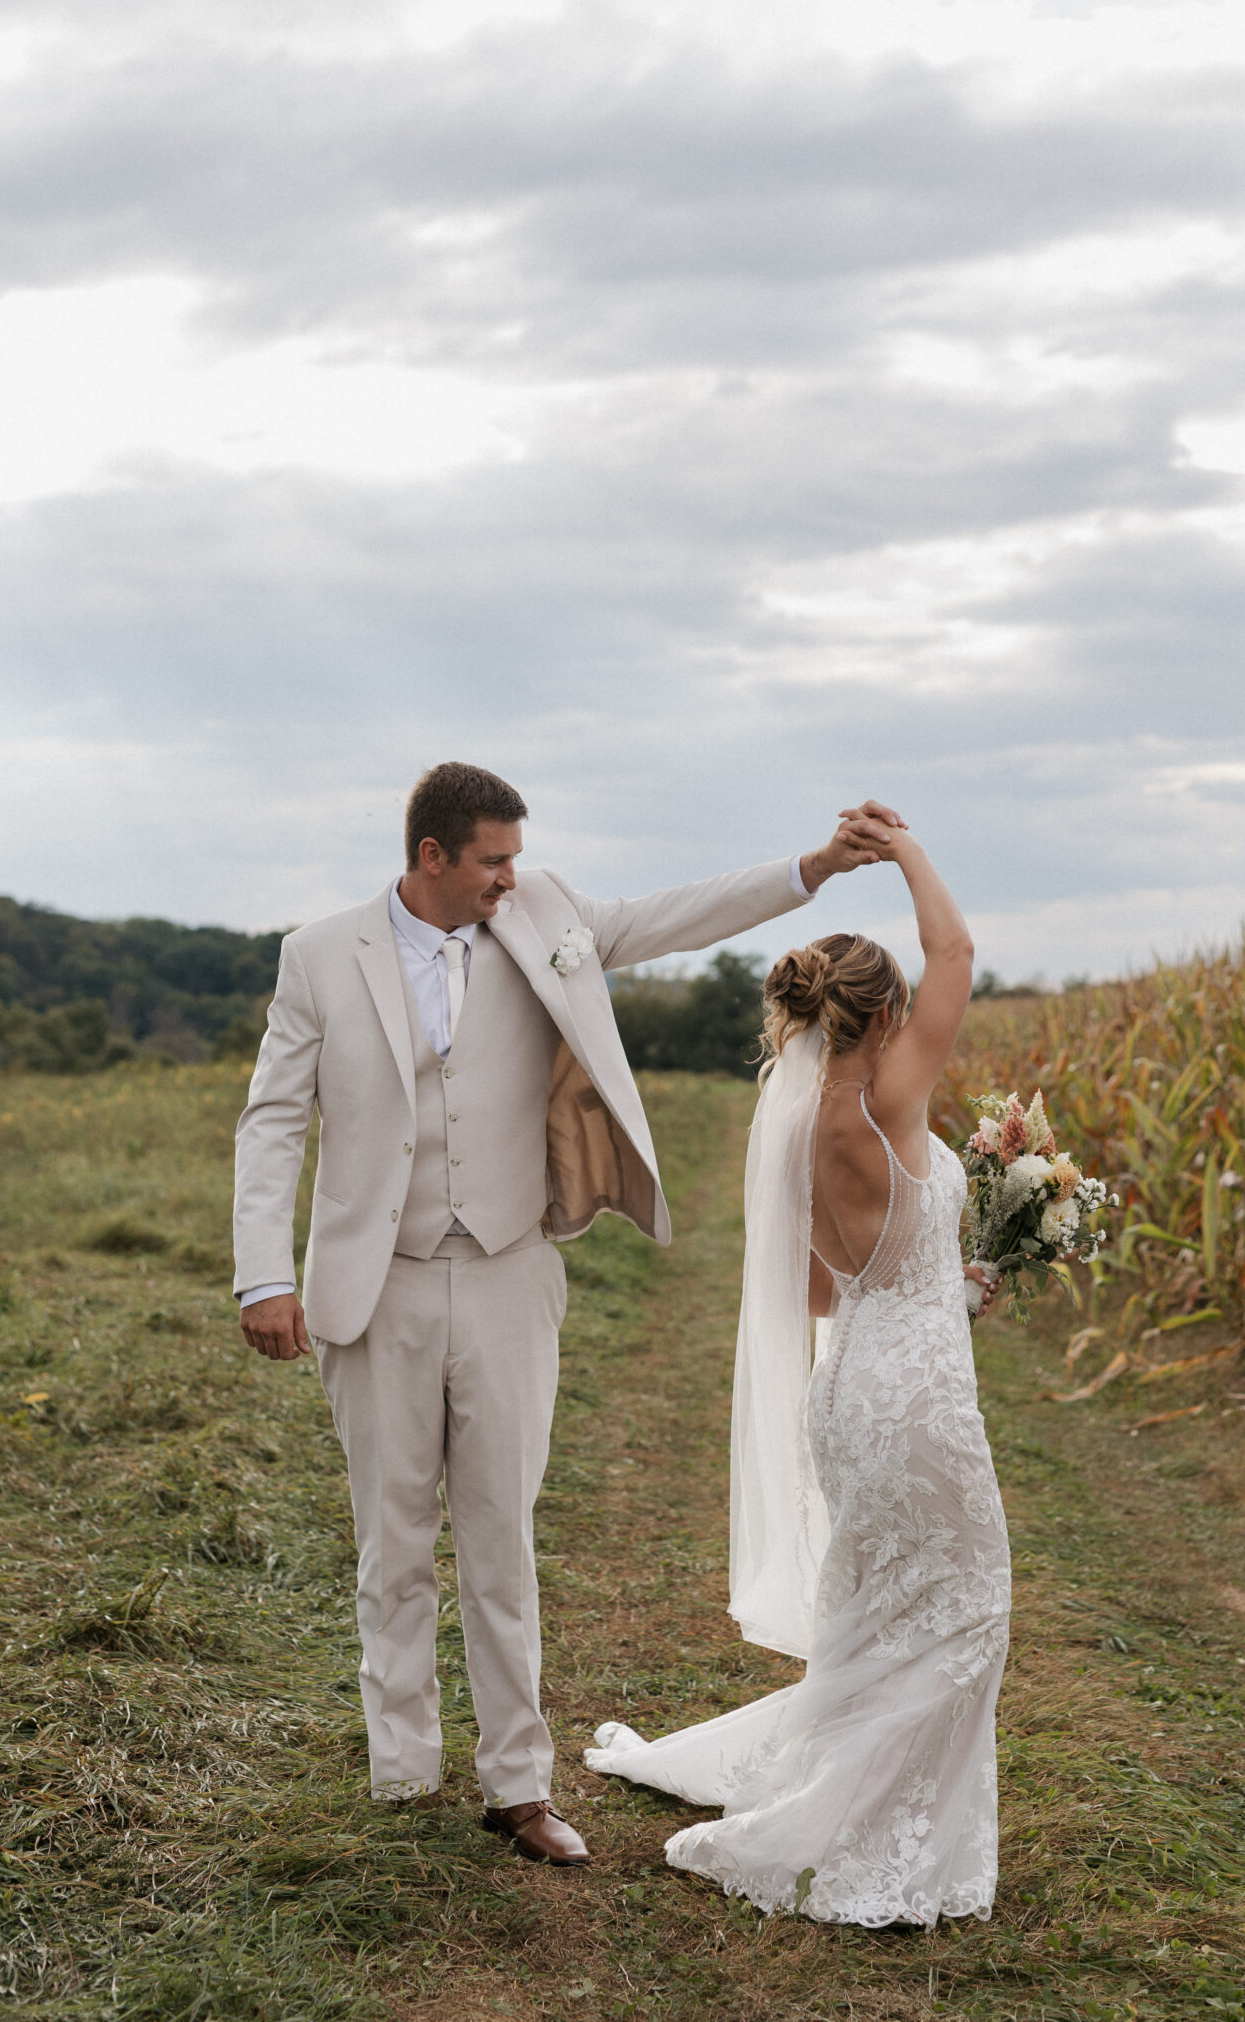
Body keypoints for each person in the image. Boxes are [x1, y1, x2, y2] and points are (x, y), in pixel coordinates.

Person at [231, 759, 889, 1868]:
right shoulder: (318, 955)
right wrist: (264, 1274)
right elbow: (272, 1121)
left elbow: (675, 915)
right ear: (431, 856)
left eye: (516, 856)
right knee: (390, 1536)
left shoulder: (547, 914)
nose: (511, 875)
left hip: (507, 1269)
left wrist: (811, 870)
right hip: (372, 1279)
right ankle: (401, 1768)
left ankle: (518, 1784)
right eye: (493, 858)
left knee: (501, 1534)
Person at [586, 813, 1013, 1926]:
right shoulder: (886, 1099)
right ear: (885, 1018)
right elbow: (958, 953)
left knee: (877, 1621)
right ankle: (887, 1845)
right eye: (911, 1009)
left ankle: (857, 1803)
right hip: (915, 1396)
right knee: (967, 1611)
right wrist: (907, 848)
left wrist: (946, 1284)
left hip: (853, 1387)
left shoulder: (804, 1125)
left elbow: (828, 1290)